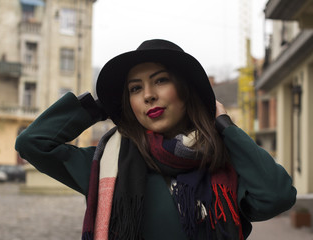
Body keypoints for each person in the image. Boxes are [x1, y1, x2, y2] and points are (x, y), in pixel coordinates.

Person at [15, 39, 296, 240]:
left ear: (186, 91)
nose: (148, 94)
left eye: (160, 80)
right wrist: (99, 107)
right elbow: (33, 143)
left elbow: (278, 197)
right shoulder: (106, 166)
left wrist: (226, 127)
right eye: (135, 89)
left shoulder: (224, 162)